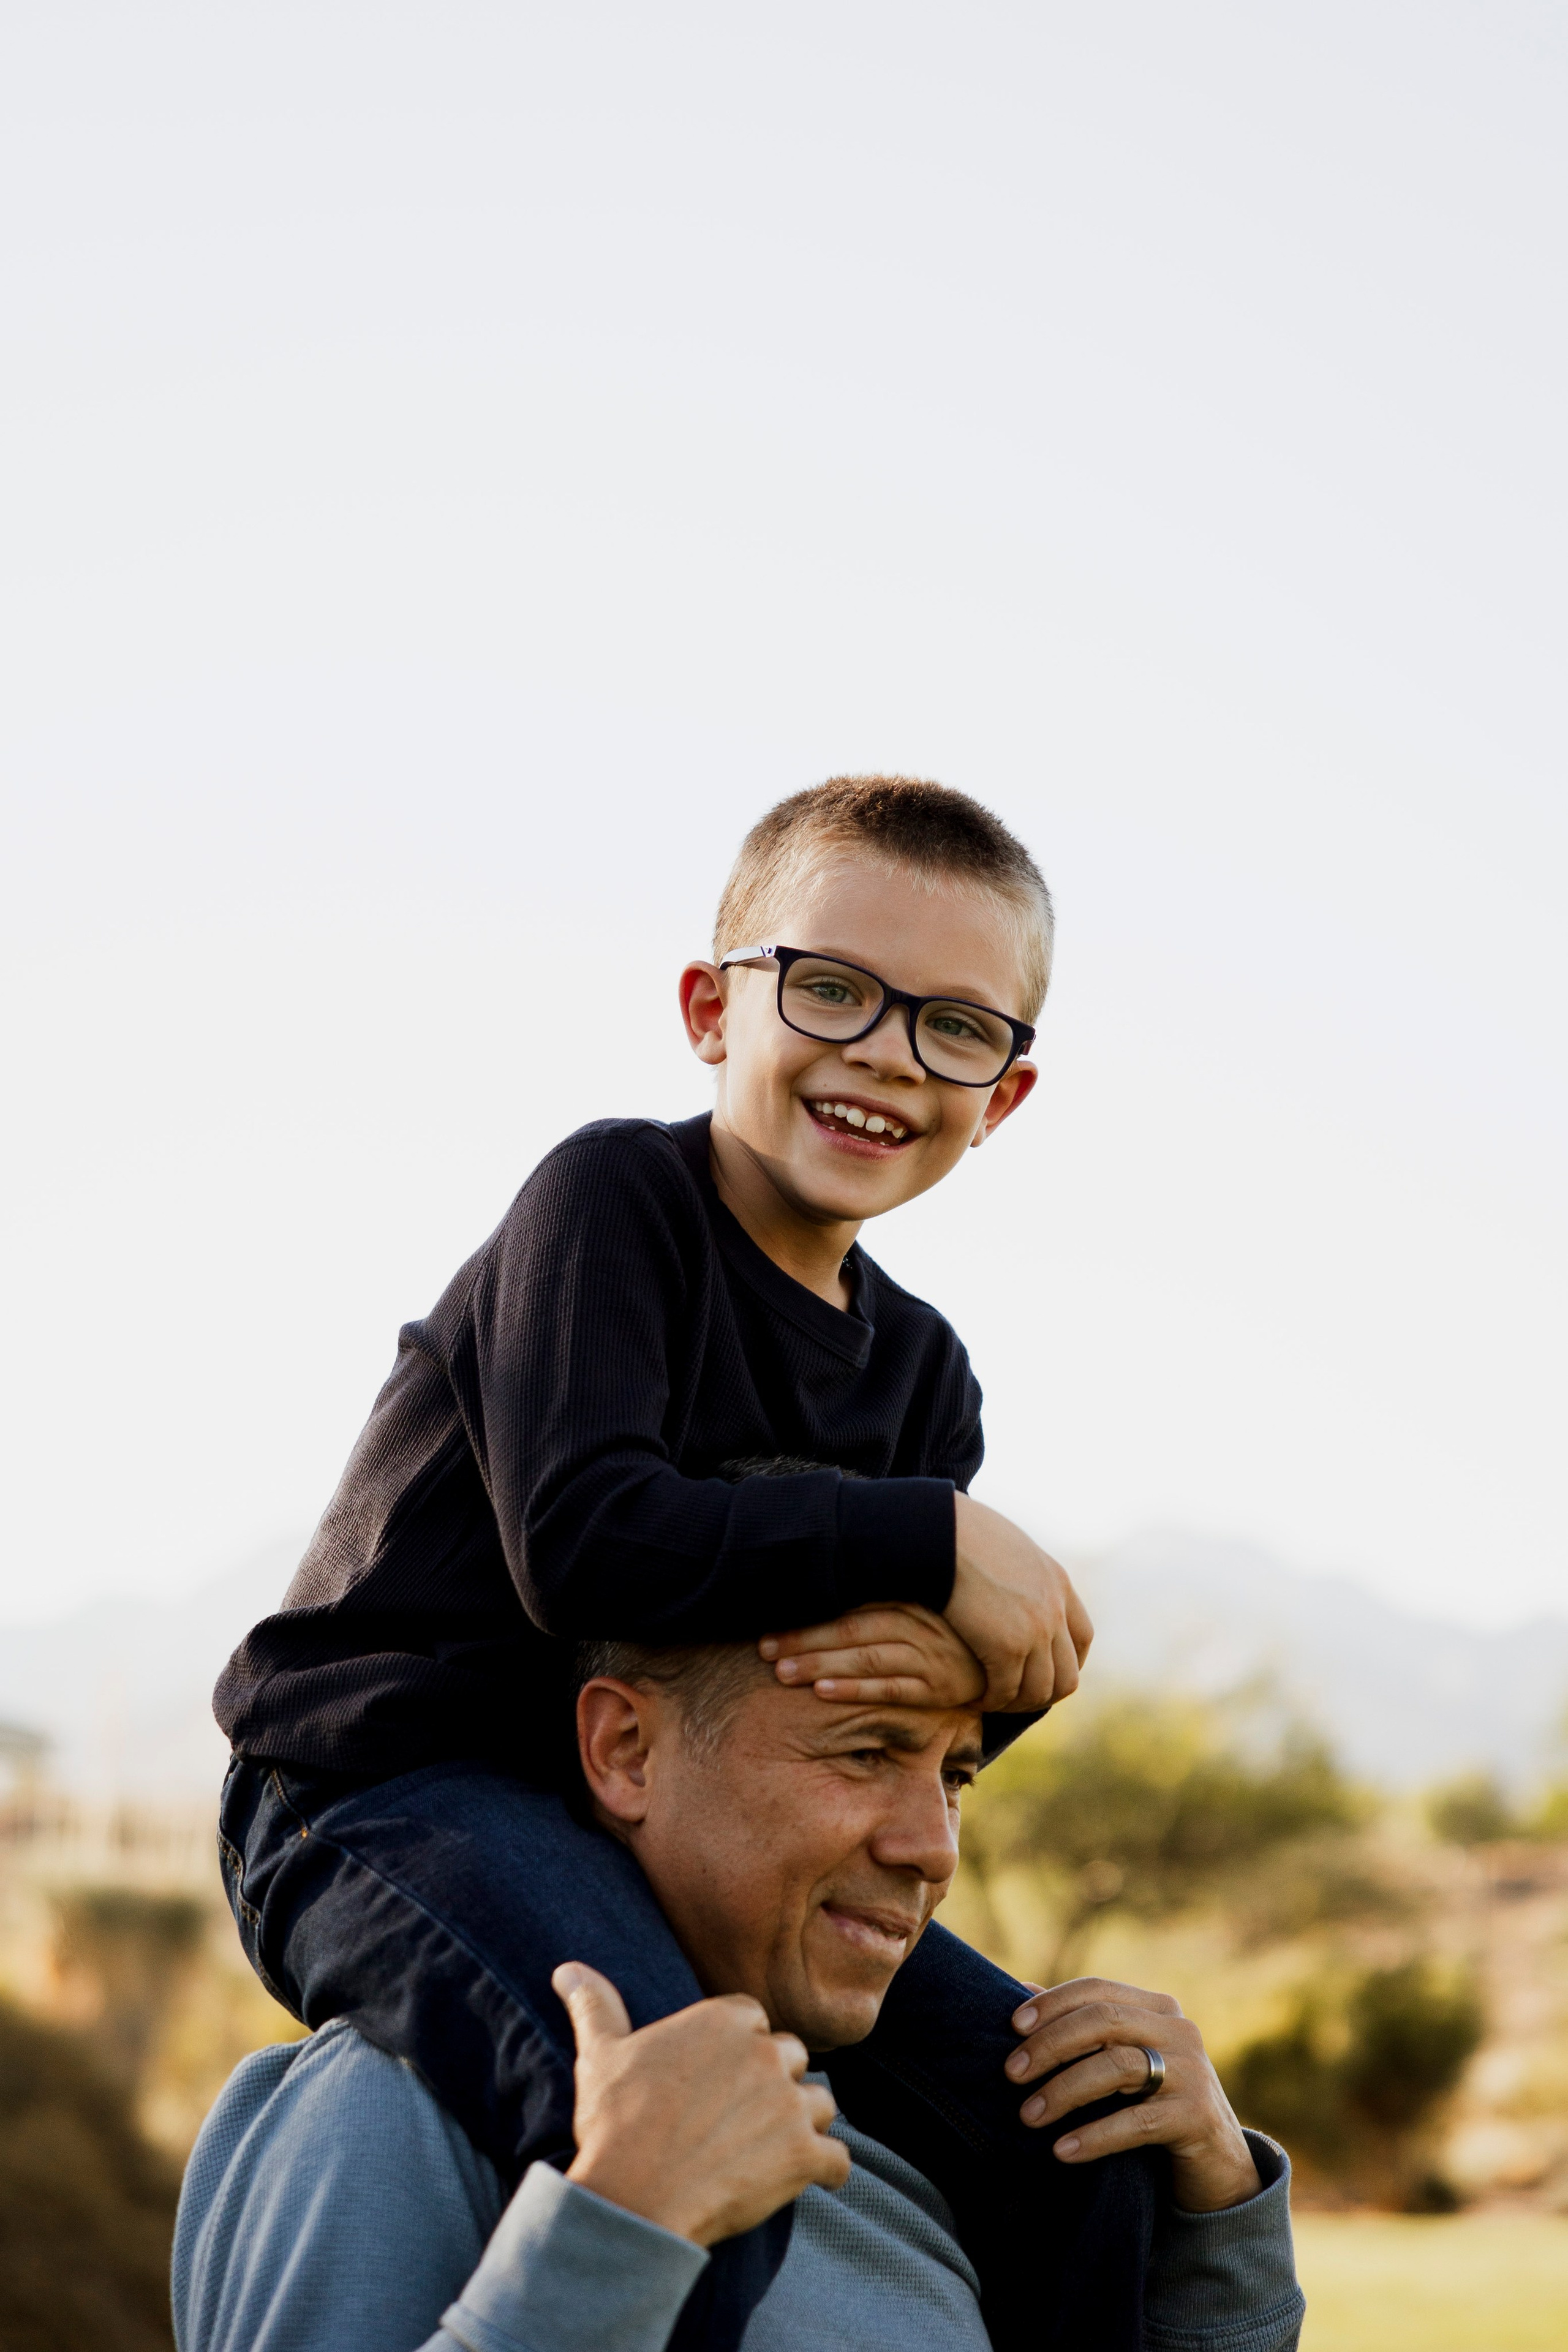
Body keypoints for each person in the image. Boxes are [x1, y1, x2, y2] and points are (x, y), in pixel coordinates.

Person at [211, 776, 1107, 2344]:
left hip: (662, 1830)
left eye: (955, 1028)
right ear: (712, 1008)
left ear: (1005, 1095)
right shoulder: (613, 1205)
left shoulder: (922, 1380)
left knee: (1075, 2138)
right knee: (697, 2121)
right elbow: (589, 1544)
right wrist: (928, 1539)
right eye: (829, 990)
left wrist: (976, 1660)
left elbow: (866, 1688)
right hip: (382, 1792)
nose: (886, 1054)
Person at [176, 1630, 1304, 2352]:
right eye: (865, 1753)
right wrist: (618, 2224)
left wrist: (1214, 2236)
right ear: (626, 1750)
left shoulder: (930, 2142)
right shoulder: (396, 2112)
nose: (933, 1848)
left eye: (954, 1776)